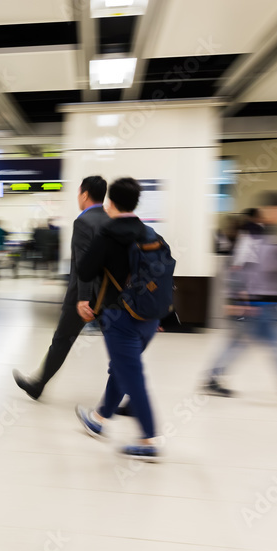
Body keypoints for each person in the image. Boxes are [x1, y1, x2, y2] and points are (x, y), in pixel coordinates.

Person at [72, 177, 164, 461]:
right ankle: (99, 419)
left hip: (119, 316)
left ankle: (148, 440)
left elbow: (85, 272)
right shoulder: (151, 234)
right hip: (150, 317)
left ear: (110, 203)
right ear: (136, 203)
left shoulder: (109, 234)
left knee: (131, 375)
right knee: (122, 368)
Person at [203, 191, 277, 403]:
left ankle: (213, 377)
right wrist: (235, 301)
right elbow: (239, 268)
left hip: (271, 302)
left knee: (247, 343)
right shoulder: (253, 235)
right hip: (258, 303)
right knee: (274, 343)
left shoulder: (269, 234)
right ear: (274, 211)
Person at [13, 176, 109, 400]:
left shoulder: (83, 222)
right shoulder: (110, 220)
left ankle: (38, 385)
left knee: (62, 341)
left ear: (84, 194)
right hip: (108, 294)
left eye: (78, 193)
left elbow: (84, 263)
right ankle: (132, 393)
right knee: (119, 347)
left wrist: (83, 298)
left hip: (82, 294)